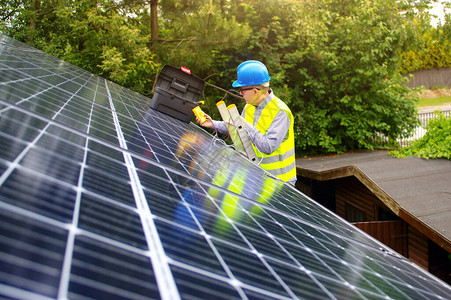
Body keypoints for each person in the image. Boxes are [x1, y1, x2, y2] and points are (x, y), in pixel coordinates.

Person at [197, 60, 297, 185]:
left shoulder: (281, 112)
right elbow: (238, 128)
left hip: (280, 182)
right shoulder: (249, 107)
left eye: (242, 90)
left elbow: (267, 147)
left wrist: (245, 124)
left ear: (255, 91)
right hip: (257, 176)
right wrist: (212, 123)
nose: (240, 93)